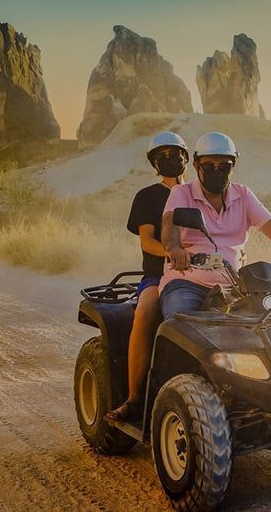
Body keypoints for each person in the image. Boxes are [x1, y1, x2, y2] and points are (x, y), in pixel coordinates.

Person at [159, 132, 271, 320]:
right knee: (182, 322)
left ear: (233, 166)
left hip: (236, 286)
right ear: (196, 166)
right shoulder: (182, 193)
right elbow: (169, 222)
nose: (217, 170)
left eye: (224, 166)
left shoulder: (243, 194)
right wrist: (174, 248)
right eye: (209, 166)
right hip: (187, 283)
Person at [105, 132, 188, 423]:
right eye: (163, 156)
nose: (171, 159)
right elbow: (146, 241)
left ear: (187, 159)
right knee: (145, 310)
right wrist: (171, 254)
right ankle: (134, 398)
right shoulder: (147, 196)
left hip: (200, 274)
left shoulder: (197, 195)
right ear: (154, 162)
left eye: (176, 154)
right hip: (158, 274)